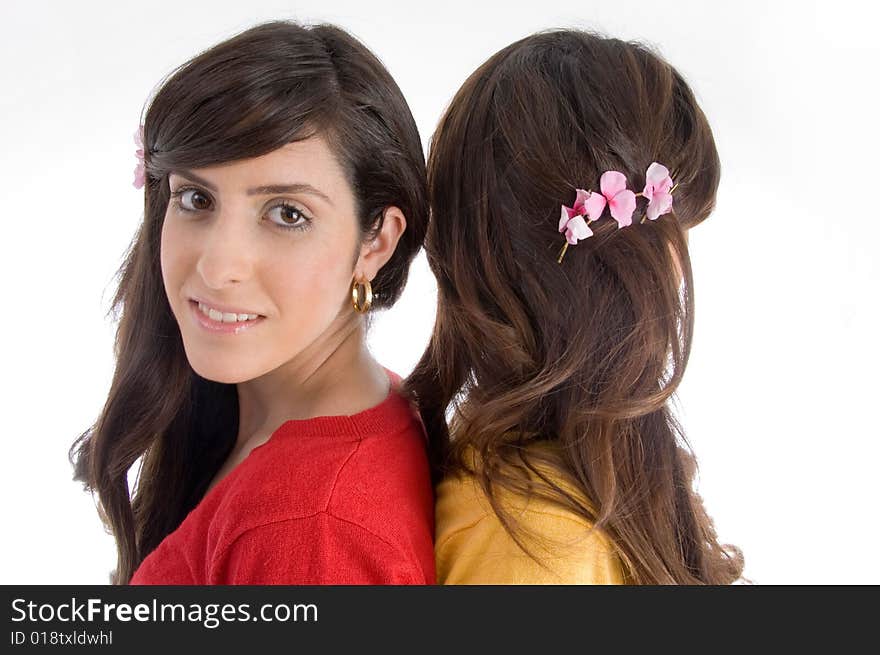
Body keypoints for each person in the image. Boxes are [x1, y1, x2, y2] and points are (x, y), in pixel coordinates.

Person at [70, 20, 435, 585]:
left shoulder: (309, 528)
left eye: (287, 213)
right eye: (196, 198)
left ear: (376, 243)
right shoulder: (348, 414)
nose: (218, 266)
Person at [404, 29, 745, 584]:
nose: (681, 275)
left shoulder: (581, 482)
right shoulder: (535, 542)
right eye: (676, 238)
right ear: (616, 268)